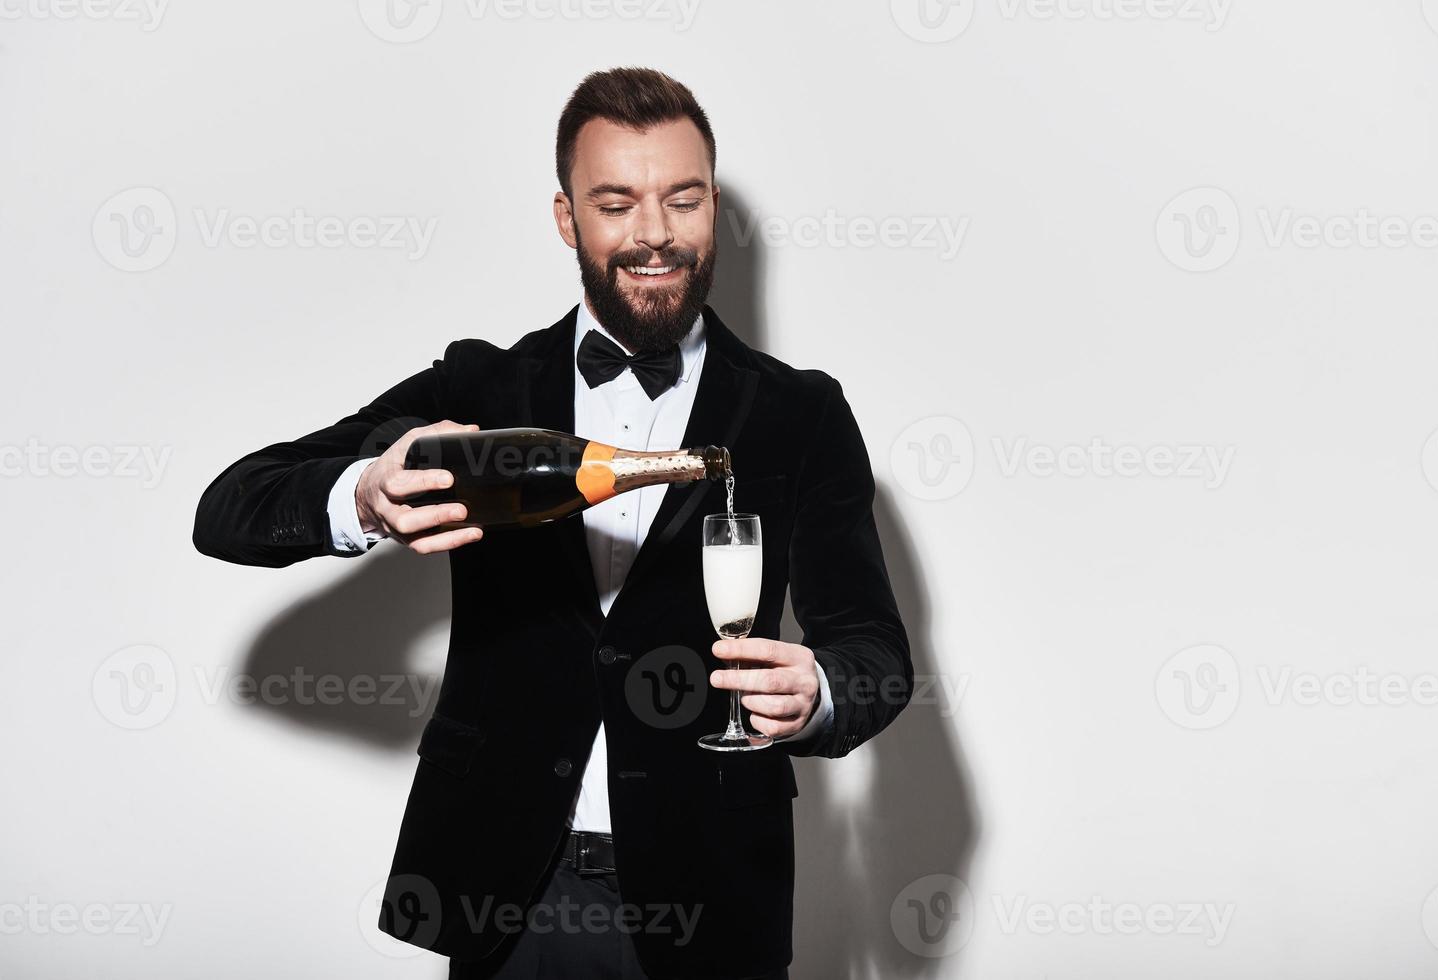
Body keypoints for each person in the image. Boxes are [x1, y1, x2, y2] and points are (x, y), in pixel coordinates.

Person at [193, 66, 912, 980]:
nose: (654, 233)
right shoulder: (481, 392)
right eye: (616, 204)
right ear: (568, 219)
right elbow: (231, 506)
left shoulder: (799, 413)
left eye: (681, 200)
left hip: (713, 892)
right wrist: (362, 497)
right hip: (505, 891)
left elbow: (874, 651)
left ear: (711, 208)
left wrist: (820, 692)